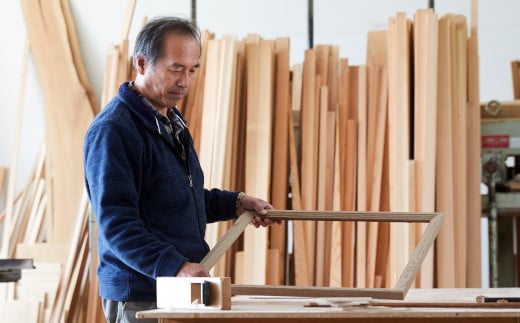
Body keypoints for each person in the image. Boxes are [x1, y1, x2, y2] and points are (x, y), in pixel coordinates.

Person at [83, 16, 276, 323]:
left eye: (192, 70)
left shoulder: (170, 121)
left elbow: (179, 197)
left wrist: (237, 203)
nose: (185, 81)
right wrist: (174, 266)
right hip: (143, 293)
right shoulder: (114, 130)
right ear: (142, 63)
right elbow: (117, 224)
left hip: (179, 285)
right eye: (176, 69)